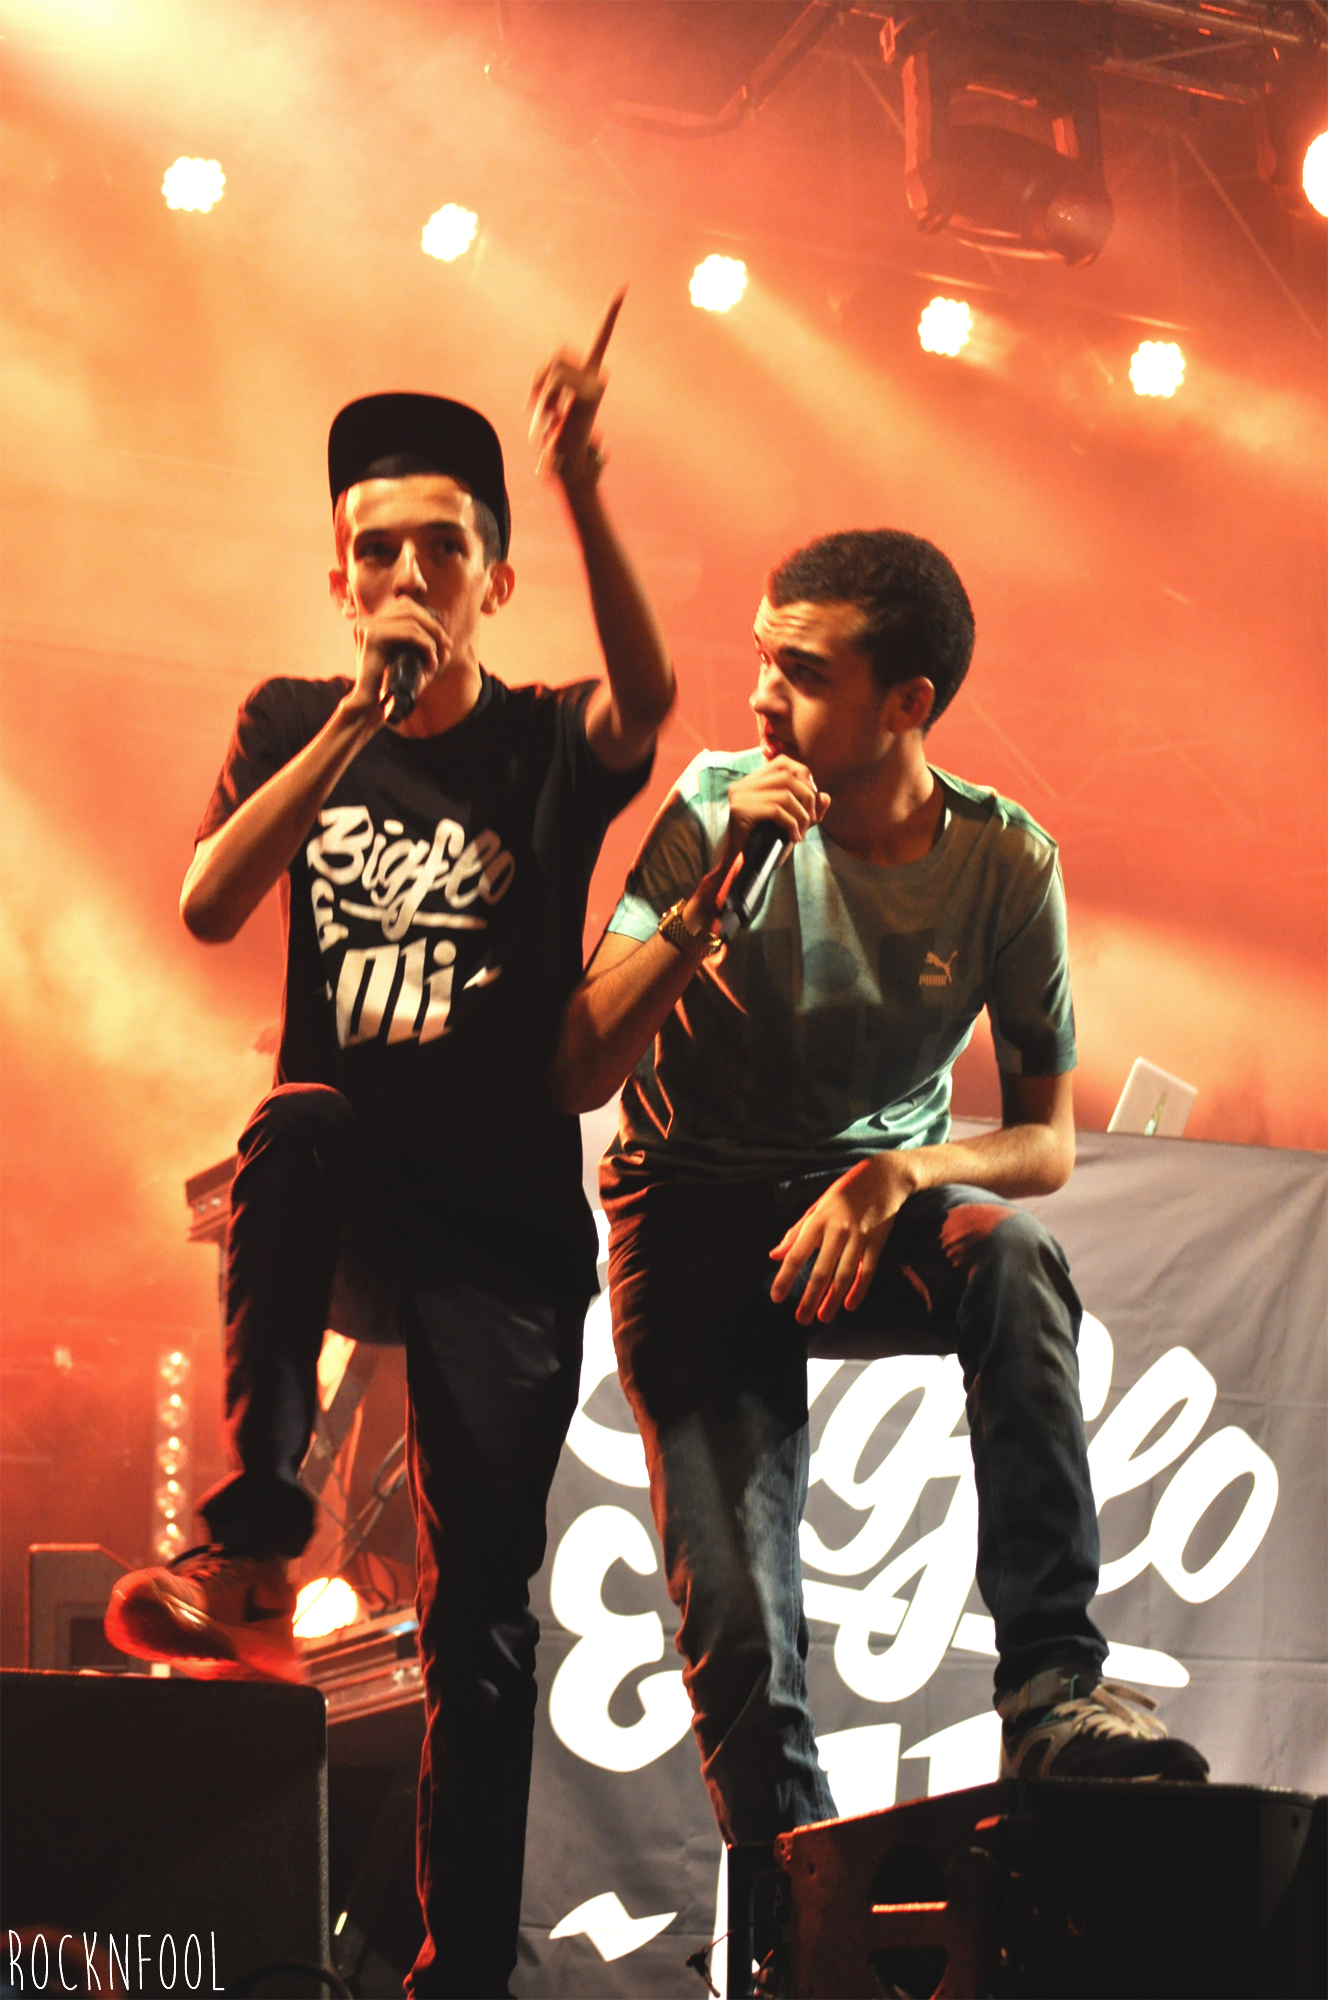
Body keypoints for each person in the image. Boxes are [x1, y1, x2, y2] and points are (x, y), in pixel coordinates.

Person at [106, 318, 675, 1997]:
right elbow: (209, 904)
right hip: (351, 1199)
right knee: (295, 1122)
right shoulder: (297, 718)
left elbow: (650, 700)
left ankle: (462, 1974)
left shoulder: (546, 741)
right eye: (377, 551)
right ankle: (257, 1534)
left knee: (485, 1621)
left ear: (497, 579)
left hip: (502, 1227)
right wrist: (357, 726)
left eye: (441, 548)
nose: (407, 574)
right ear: (339, 577)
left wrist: (581, 482)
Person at [554, 528, 1208, 1851]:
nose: (761, 698)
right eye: (761, 660)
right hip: (688, 1210)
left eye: (803, 674)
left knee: (1010, 1255)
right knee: (741, 1636)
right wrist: (705, 902)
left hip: (869, 1202)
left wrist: (902, 1169)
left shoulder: (1005, 862)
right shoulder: (716, 805)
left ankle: (1052, 1691)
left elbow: (1044, 1143)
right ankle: (803, 1919)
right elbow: (579, 1067)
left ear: (908, 702)